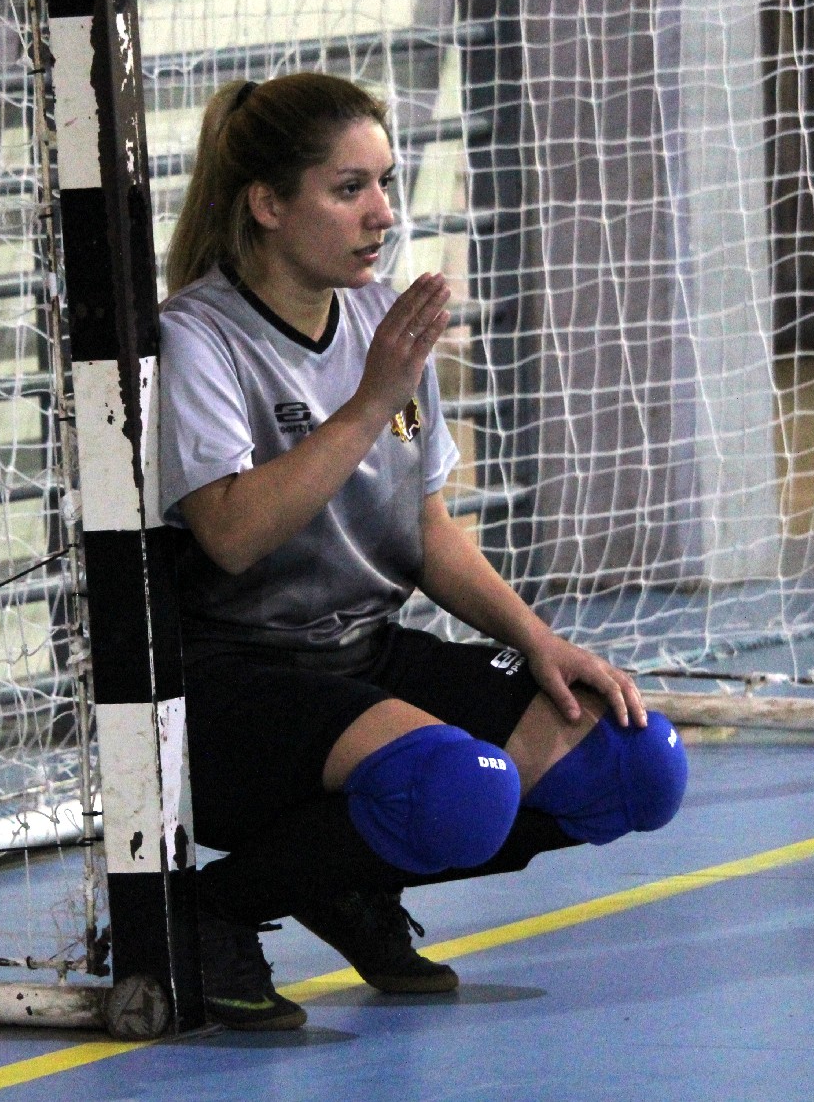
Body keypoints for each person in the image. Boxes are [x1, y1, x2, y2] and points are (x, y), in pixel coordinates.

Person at [156, 73, 689, 1031]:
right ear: (269, 204)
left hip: (362, 649)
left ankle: (346, 880)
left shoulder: (378, 318)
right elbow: (231, 535)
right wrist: (366, 404)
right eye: (348, 187)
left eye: (386, 183)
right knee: (456, 789)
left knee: (633, 761)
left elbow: (428, 526)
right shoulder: (200, 338)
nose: (382, 214)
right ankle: (209, 912)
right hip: (234, 681)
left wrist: (540, 639)